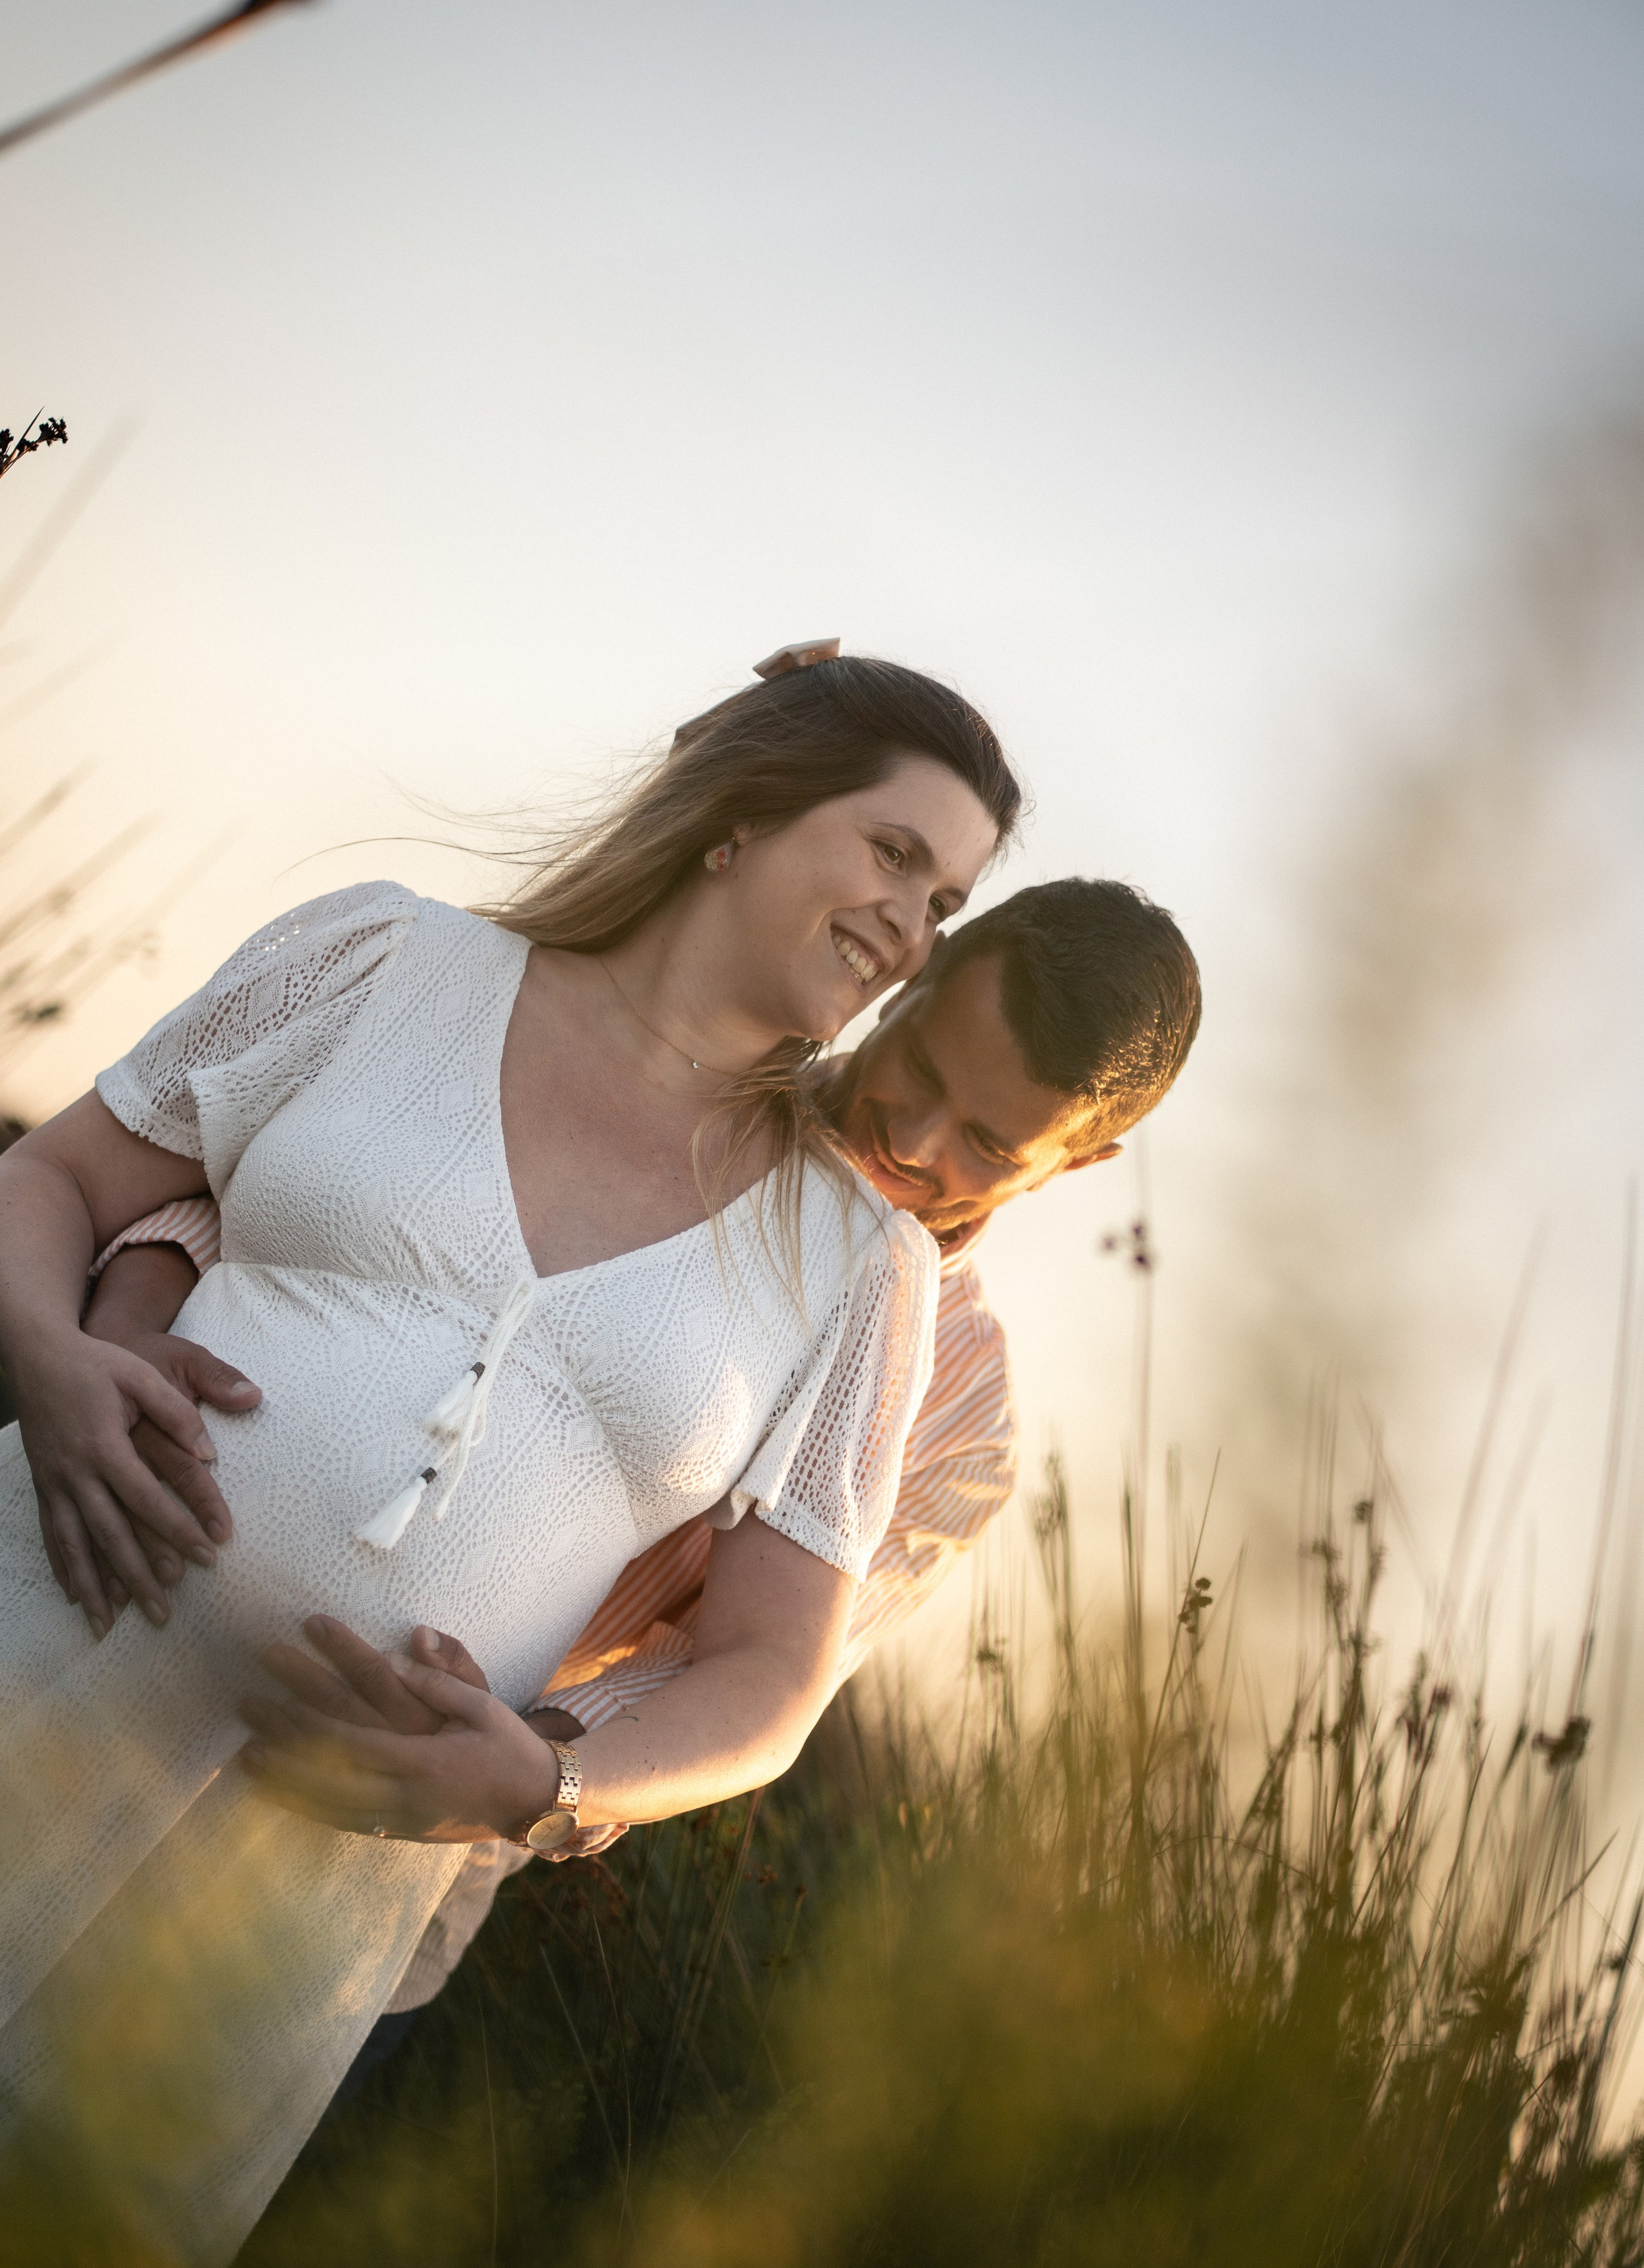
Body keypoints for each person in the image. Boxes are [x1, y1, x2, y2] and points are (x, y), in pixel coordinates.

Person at [0, 647, 1017, 2268]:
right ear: (741, 816)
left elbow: (767, 1677)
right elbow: (47, 1181)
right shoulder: (386, 956)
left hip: (279, 1894)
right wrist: (57, 1361)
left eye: (948, 903)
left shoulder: (855, 1268)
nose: (913, 925)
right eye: (894, 854)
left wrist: (543, 1791)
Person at [76, 878, 1202, 2064]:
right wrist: (136, 1311)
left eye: (987, 1142)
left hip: (388, 1816)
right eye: (917, 1062)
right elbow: (307, 1190)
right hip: (118, 1594)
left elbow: (746, 1670)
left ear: (1079, 1163)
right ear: (913, 976)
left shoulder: (957, 1415)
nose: (910, 1139)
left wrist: (528, 1765)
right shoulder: (659, 1069)